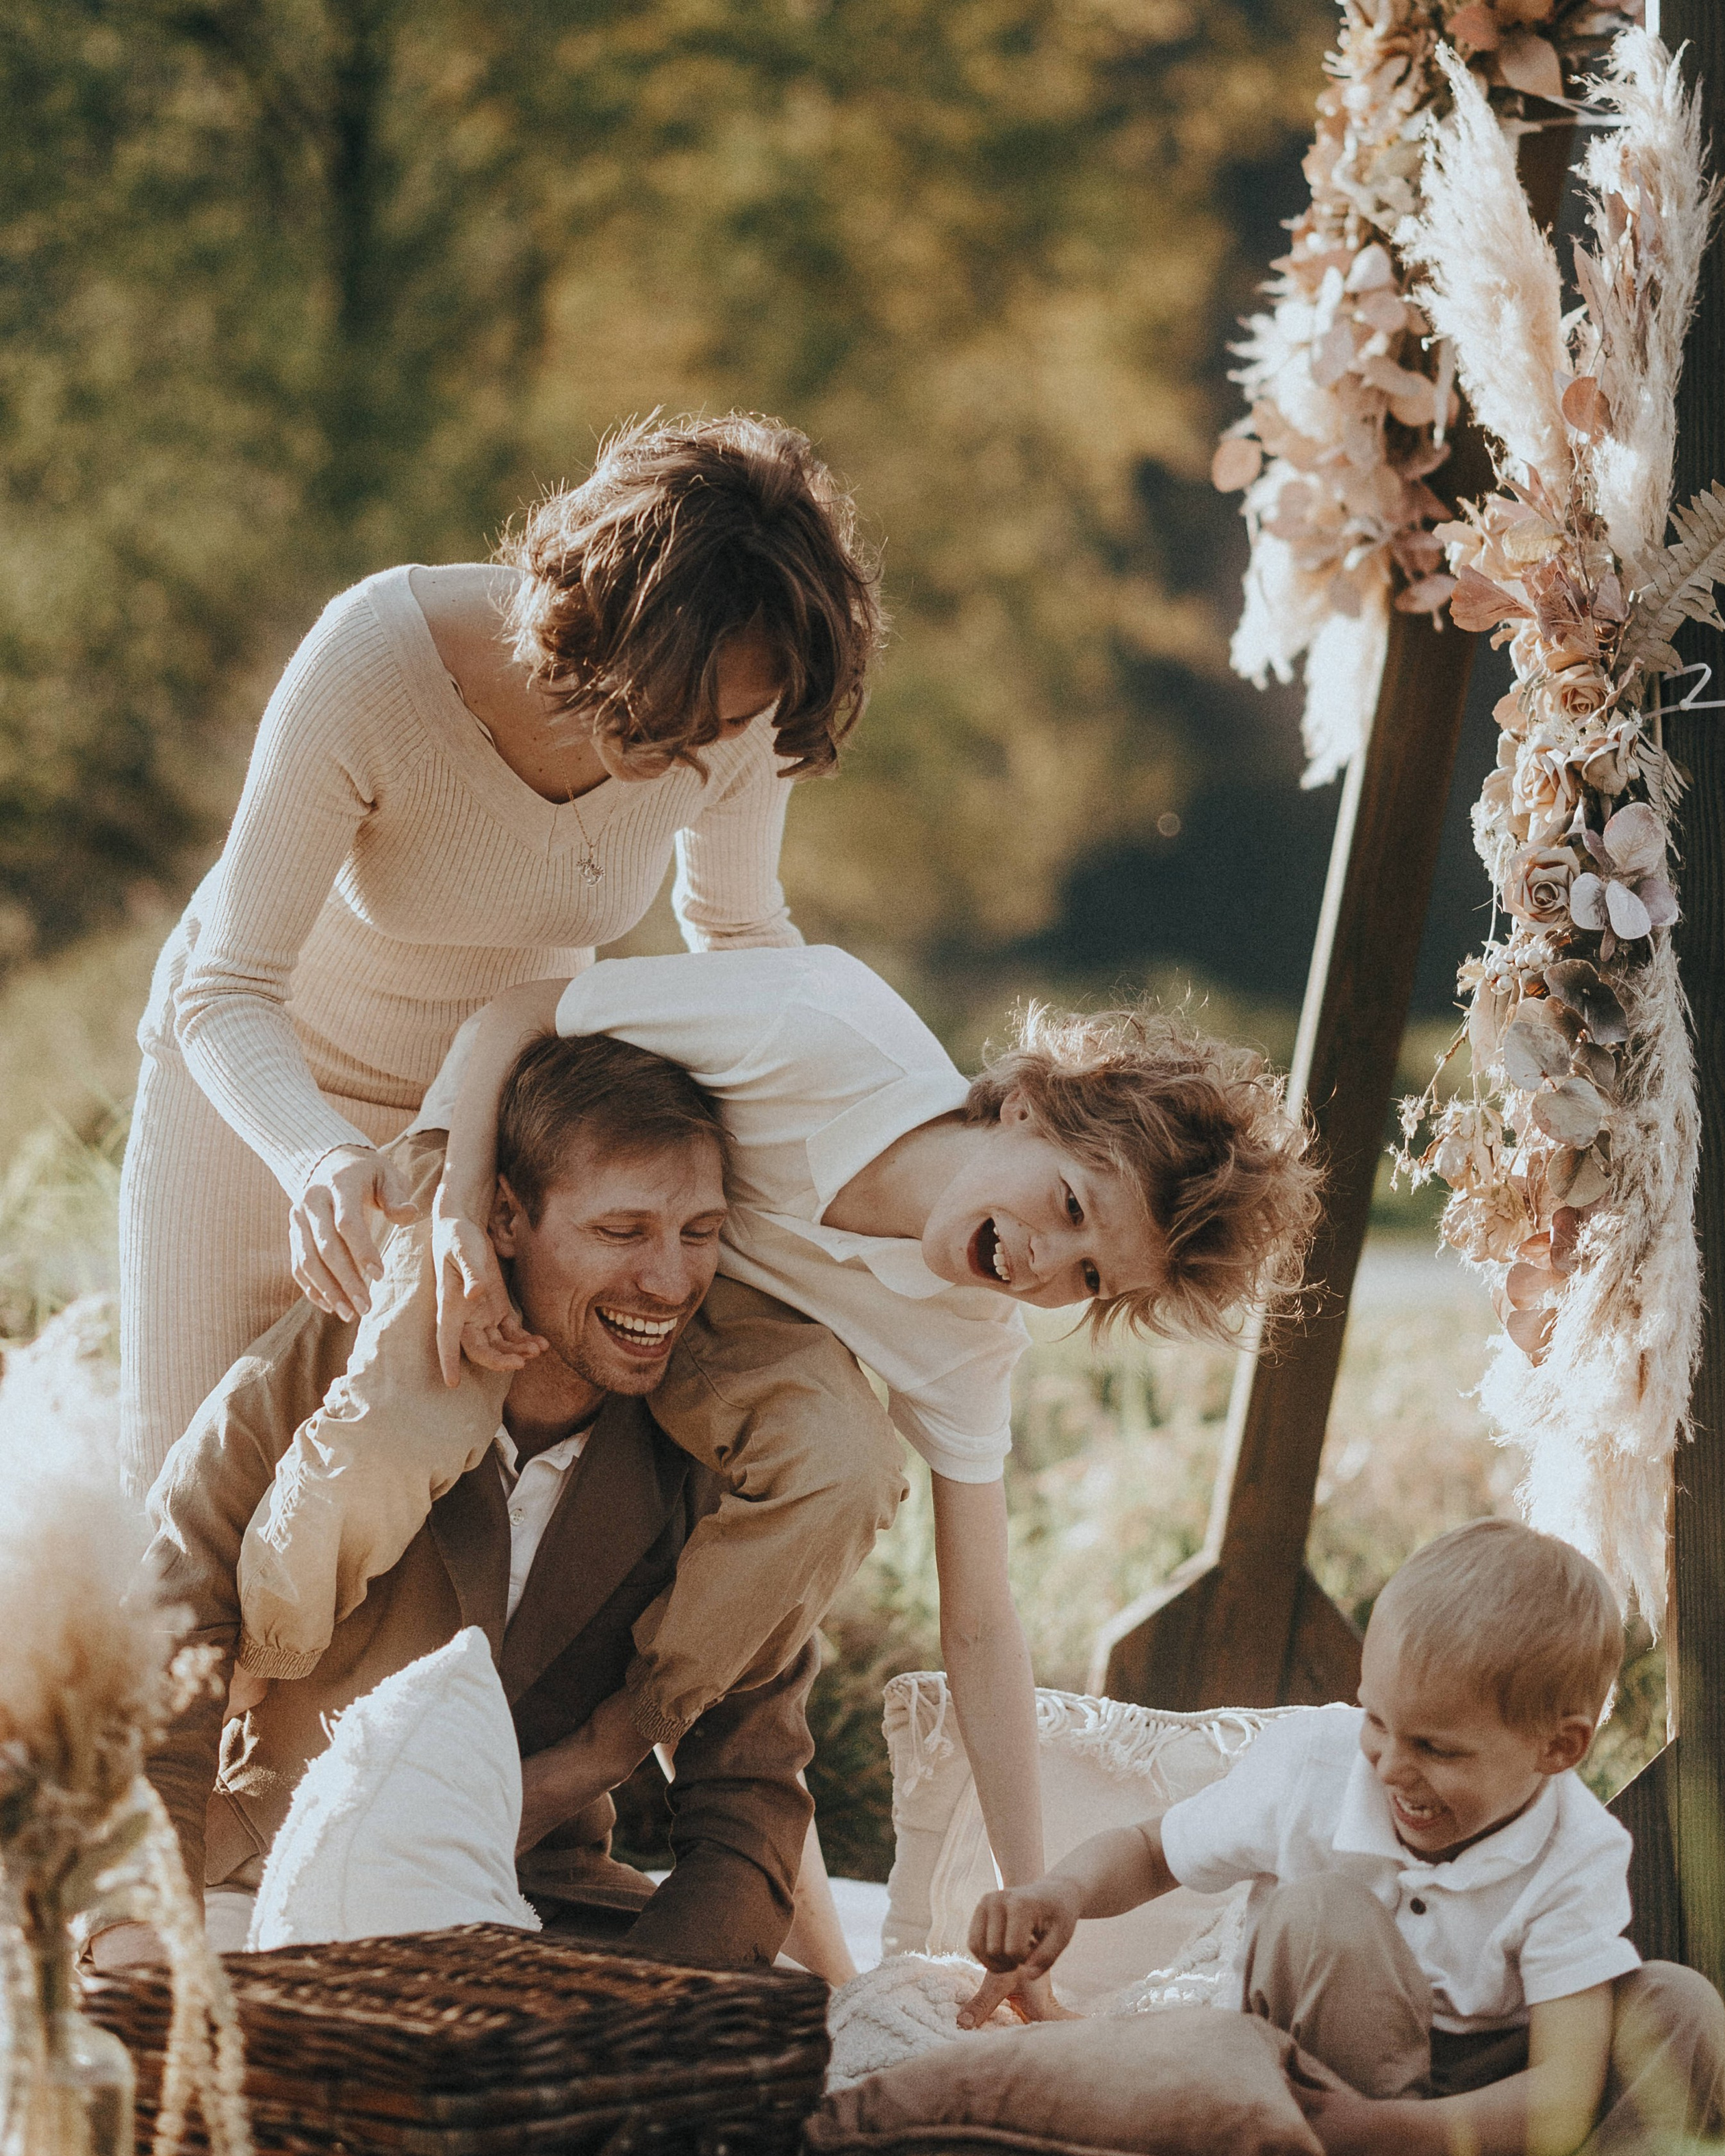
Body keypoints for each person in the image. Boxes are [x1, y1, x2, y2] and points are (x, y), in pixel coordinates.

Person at [225, 944, 1321, 1983]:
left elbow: (982, 1617)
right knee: (412, 1417)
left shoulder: (968, 1339)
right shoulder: (821, 1027)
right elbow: (521, 1014)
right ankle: (257, 1688)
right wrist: (462, 1217)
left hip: (688, 1299)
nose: (1042, 1263)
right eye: (1070, 1205)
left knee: (845, 1459)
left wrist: (1029, 1887)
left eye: (1087, 1278)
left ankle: (614, 1744)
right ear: (1030, 1106)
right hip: (515, 1184)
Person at [118, 412, 882, 1498]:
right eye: (694, 715)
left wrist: (884, 1124)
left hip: (482, 1137)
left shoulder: (744, 698)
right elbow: (226, 987)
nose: (720, 749)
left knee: (374, 1536)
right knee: (178, 1507)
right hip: (261, 1105)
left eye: (744, 718)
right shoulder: (375, 660)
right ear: (615, 635)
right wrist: (320, 1160)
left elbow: (741, 940)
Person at [94, 1031, 903, 1975]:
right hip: (258, 1882)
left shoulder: (721, 1460)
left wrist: (662, 2004)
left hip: (536, 1902)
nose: (671, 1279)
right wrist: (137, 1932)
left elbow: (750, 1793)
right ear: (508, 1218)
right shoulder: (342, 1371)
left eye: (700, 1232)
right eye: (623, 1230)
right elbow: (161, 1646)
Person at [962, 1519, 1725, 2156]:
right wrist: (1061, 1892)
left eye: (1436, 1747)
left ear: (1557, 1749)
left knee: (1679, 2008)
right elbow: (1152, 1851)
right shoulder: (1315, 1764)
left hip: (1482, 2110)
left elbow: (1563, 2094)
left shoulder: (1578, 1850)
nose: (1393, 1767)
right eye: (1377, 1720)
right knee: (1322, 1909)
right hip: (1317, 2085)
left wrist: (1394, 2131)